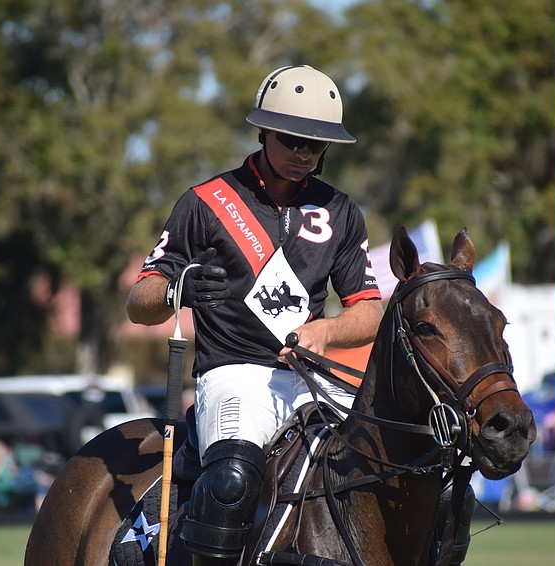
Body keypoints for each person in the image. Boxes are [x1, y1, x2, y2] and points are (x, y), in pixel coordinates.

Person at [127, 65, 383, 565]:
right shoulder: (206, 203)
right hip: (234, 374)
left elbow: (370, 309)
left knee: (406, 460)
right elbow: (139, 303)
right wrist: (177, 289)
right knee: (230, 483)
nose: (303, 155)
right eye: (292, 141)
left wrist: (327, 330)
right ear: (263, 130)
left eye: (316, 145)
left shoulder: (340, 210)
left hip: (313, 377)